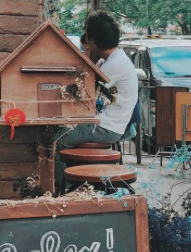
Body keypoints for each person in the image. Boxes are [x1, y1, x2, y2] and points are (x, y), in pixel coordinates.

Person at [54, 10, 139, 190]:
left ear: (91, 40)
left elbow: (79, 89)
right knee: (60, 132)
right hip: (103, 123)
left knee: (55, 142)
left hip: (105, 127)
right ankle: (77, 181)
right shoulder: (108, 60)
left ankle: (71, 188)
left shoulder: (115, 64)